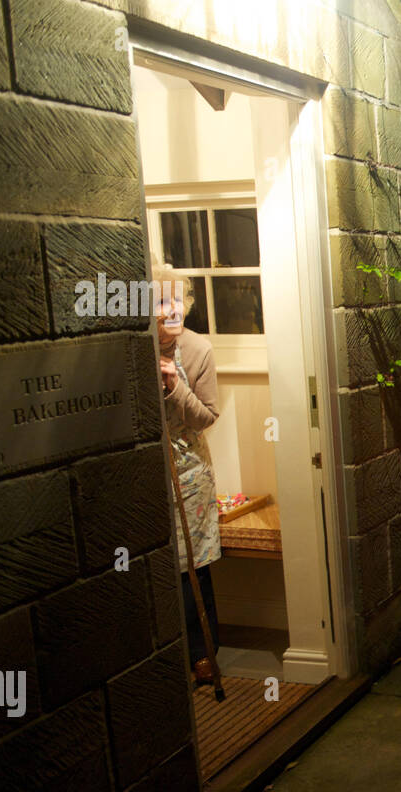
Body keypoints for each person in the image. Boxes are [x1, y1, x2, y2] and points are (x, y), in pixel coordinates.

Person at [154, 262, 222, 686]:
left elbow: (206, 418)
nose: (173, 309)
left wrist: (176, 387)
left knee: (191, 566)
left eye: (179, 300)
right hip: (148, 473)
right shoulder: (133, 349)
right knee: (157, 564)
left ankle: (204, 654)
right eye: (162, 302)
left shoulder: (199, 350)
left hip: (190, 472)